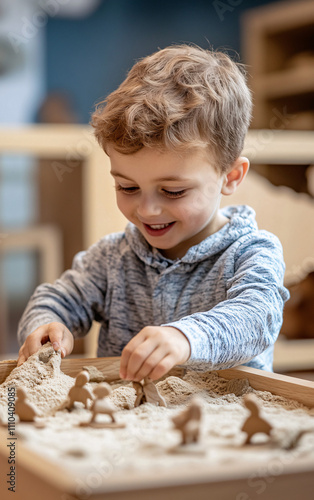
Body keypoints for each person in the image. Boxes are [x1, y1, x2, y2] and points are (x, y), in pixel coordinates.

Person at [17, 44, 289, 381]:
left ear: (230, 177)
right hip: (123, 422)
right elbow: (59, 297)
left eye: (173, 191)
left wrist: (185, 338)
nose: (147, 209)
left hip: (227, 422)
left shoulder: (252, 252)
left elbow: (255, 319)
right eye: (128, 187)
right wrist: (47, 324)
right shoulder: (111, 258)